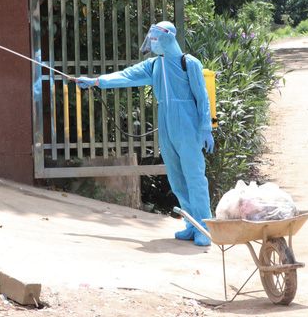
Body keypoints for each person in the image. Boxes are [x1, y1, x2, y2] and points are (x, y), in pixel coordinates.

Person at [76, 21, 214, 246]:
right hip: (166, 124)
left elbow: (202, 97)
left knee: (194, 176)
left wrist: (206, 128)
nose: (153, 43)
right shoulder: (154, 65)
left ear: (168, 38)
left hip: (188, 126)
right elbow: (127, 76)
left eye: (155, 39)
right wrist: (97, 81)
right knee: (176, 177)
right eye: (152, 39)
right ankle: (191, 224)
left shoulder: (189, 63)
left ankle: (204, 227)